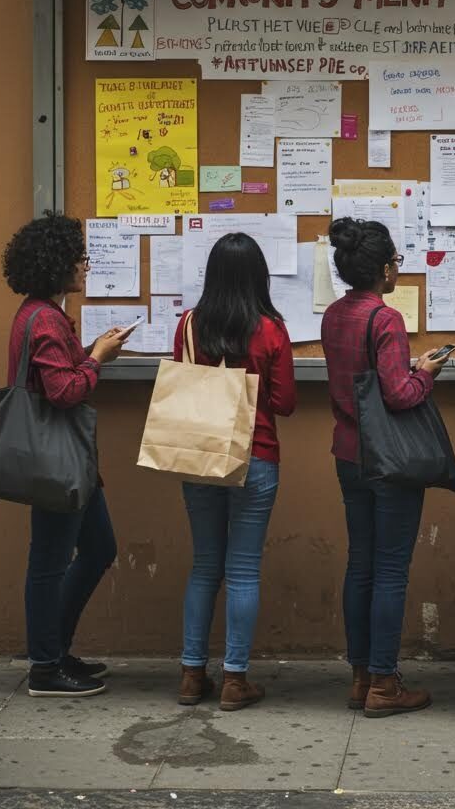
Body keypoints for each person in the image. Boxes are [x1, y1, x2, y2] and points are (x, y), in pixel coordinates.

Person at [321, 217, 450, 717]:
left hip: (348, 454)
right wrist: (426, 374)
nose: (399, 268)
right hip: (390, 461)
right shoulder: (386, 318)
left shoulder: (334, 315)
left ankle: (359, 677)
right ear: (381, 268)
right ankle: (383, 683)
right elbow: (398, 395)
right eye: (396, 261)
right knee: (391, 570)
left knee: (362, 563)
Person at [2, 213, 125, 697]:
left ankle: (56, 647)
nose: (85, 266)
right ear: (57, 265)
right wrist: (98, 358)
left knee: (98, 549)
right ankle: (45, 667)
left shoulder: (37, 313)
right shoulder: (46, 319)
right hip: (57, 461)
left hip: (72, 461)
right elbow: (64, 391)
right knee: (49, 562)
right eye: (80, 258)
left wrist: (93, 349)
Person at [173, 232, 296, 711]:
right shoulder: (269, 329)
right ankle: (235, 679)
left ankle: (189, 674)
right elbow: (284, 403)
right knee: (243, 569)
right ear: (258, 277)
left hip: (198, 456)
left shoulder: (188, 324)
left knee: (205, 565)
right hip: (255, 455)